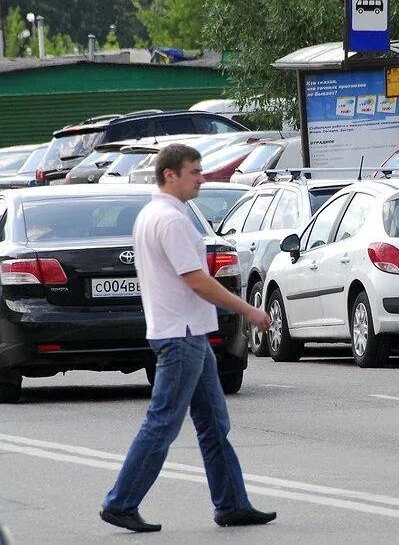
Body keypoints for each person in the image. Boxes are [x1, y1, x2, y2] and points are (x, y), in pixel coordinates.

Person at [100, 144, 275, 533]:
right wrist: (248, 310)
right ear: (169, 175)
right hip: (180, 337)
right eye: (194, 171)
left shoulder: (154, 214)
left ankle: (231, 504)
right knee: (162, 423)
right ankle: (121, 501)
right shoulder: (171, 220)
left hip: (187, 334)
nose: (201, 178)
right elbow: (195, 279)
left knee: (214, 423)